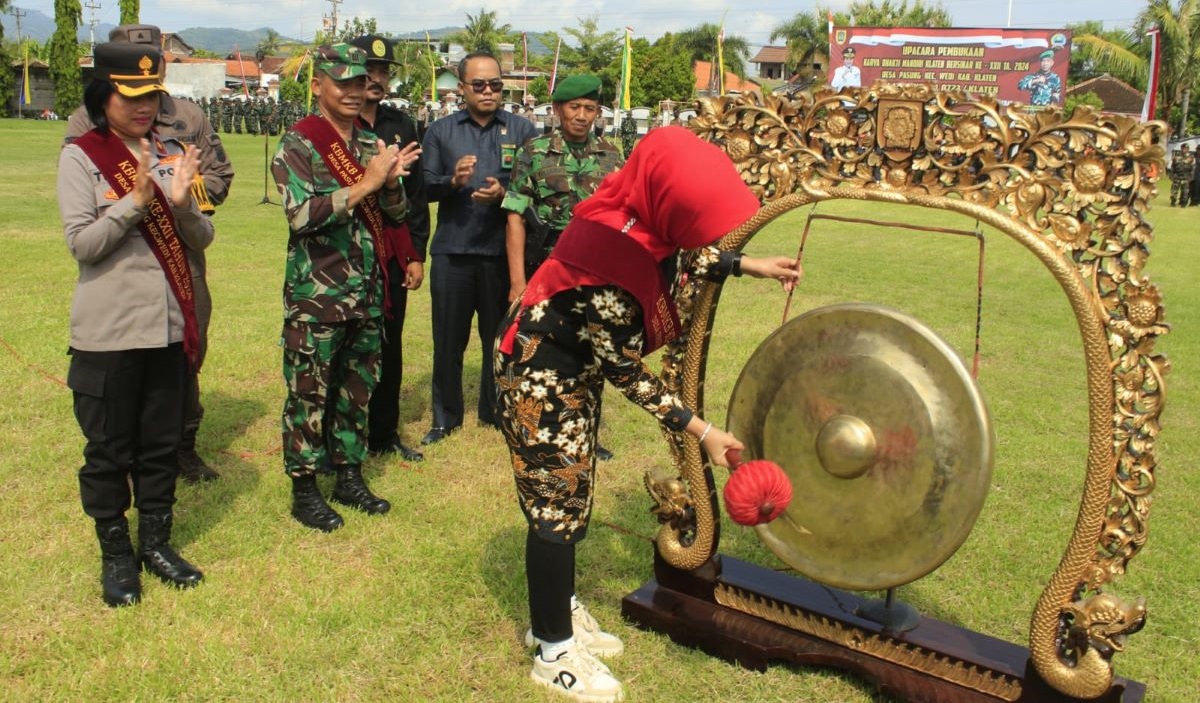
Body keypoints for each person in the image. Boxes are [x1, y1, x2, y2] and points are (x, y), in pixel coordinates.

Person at [495, 126, 802, 702]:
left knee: (576, 492)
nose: (702, 233)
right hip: (538, 378)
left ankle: (557, 609)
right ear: (669, 202)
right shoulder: (610, 259)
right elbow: (627, 372)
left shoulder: (633, 208)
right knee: (554, 507)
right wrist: (703, 431)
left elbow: (676, 248)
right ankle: (553, 652)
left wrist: (744, 264)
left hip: (571, 370)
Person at [58, 42, 212, 607]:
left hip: (167, 329)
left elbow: (202, 239)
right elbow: (84, 244)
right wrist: (136, 201)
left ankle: (157, 544)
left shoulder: (168, 150)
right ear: (104, 95)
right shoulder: (82, 156)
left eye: (152, 94)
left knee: (158, 445)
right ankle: (117, 555)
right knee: (108, 450)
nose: (145, 106)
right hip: (109, 333)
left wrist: (180, 204)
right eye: (132, 94)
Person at [65, 24, 234, 484]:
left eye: (150, 55)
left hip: (182, 255)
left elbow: (219, 173)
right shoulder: (87, 120)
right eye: (131, 53)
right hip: (122, 263)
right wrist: (139, 199)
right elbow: (83, 191)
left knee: (184, 352)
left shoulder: (188, 115)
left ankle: (182, 445)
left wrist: (187, 194)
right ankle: (132, 450)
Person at [271, 44, 421, 532]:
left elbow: (396, 216)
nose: (355, 92)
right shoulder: (300, 143)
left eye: (361, 83)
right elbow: (300, 215)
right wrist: (367, 183)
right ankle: (305, 489)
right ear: (318, 86)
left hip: (367, 291)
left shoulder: (369, 142)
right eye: (344, 83)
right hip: (318, 294)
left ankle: (349, 476)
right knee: (309, 394)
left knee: (357, 389)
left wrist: (391, 182)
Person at [501, 74, 625, 461]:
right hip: (547, 272)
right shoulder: (534, 152)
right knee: (538, 351)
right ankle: (534, 428)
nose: (582, 116)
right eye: (575, 107)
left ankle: (588, 431)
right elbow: (515, 216)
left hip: (595, 275)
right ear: (557, 110)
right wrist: (517, 281)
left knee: (593, 355)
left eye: (590, 109)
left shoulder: (613, 155)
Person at [420, 51, 538, 445]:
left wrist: (503, 194)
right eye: (479, 85)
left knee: (499, 339)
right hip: (452, 252)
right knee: (448, 340)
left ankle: (495, 411)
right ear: (462, 87)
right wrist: (453, 181)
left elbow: (532, 192)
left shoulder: (523, 131)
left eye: (496, 85)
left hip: (501, 254)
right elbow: (424, 187)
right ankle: (445, 418)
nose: (488, 92)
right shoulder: (440, 131)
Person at [350, 34, 431, 462]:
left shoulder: (400, 125)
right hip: (345, 254)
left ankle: (383, 433)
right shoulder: (332, 126)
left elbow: (416, 196)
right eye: (368, 70)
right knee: (343, 350)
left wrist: (415, 253)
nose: (376, 79)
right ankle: (336, 437)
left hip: (392, 252)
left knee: (389, 344)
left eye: (383, 71)